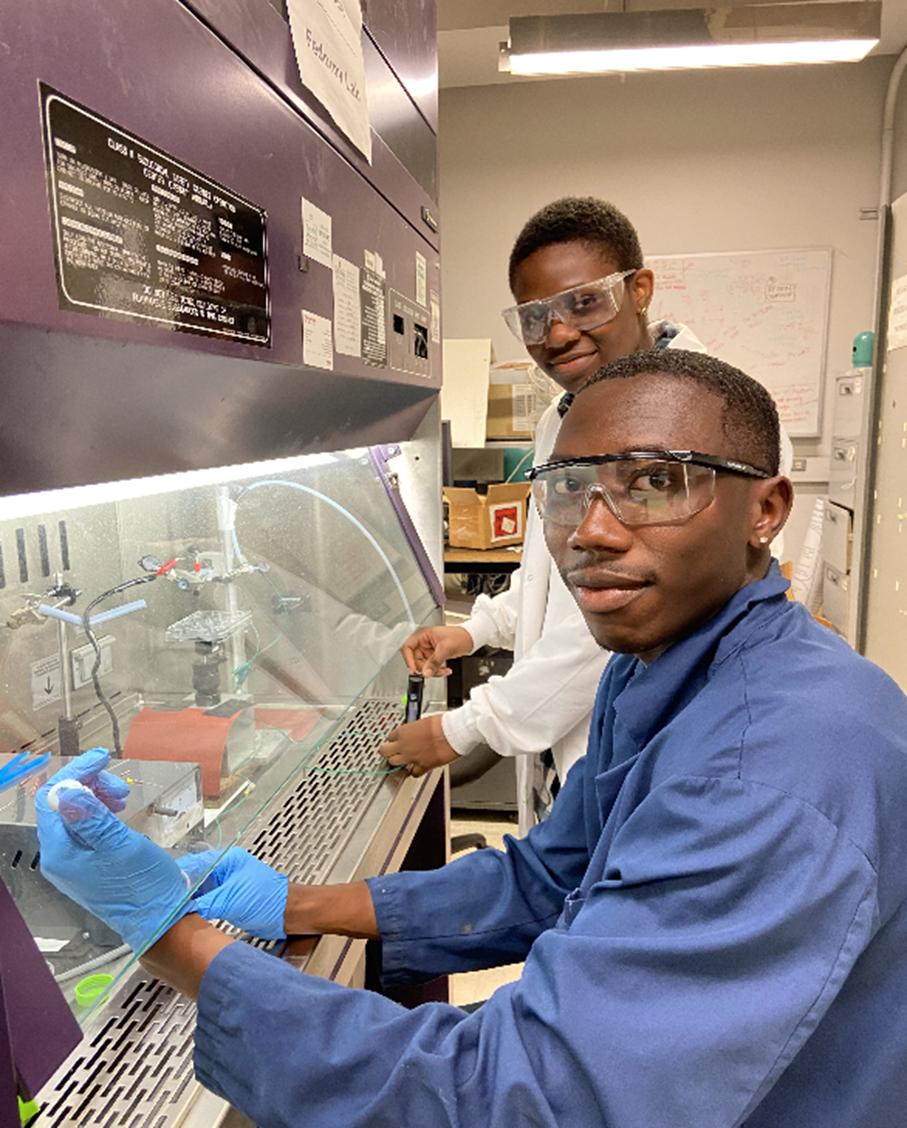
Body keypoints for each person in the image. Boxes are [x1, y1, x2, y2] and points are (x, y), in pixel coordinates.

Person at [37, 349, 907, 1128]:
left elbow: (521, 1100)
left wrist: (165, 934)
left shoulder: (769, 774)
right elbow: (554, 875)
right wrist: (294, 903)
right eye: (568, 488)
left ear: (766, 510)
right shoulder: (660, 666)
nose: (594, 532)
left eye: (656, 483)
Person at [381, 197, 710, 833]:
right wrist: (475, 630)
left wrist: (462, 728)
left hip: (650, 757)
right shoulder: (563, 417)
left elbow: (618, 618)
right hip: (572, 756)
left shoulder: (686, 420)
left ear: (639, 289)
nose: (557, 333)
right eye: (534, 316)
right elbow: (552, 574)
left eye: (584, 302)